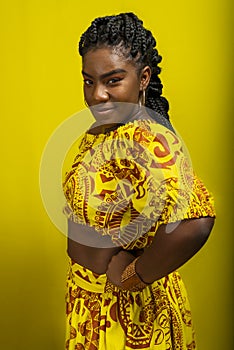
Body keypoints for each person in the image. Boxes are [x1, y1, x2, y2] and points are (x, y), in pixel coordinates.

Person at [62, 12, 215, 350]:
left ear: (143, 77)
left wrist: (133, 276)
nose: (97, 94)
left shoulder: (149, 140)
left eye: (112, 80)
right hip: (91, 305)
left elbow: (196, 222)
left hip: (132, 319)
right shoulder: (109, 128)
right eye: (89, 80)